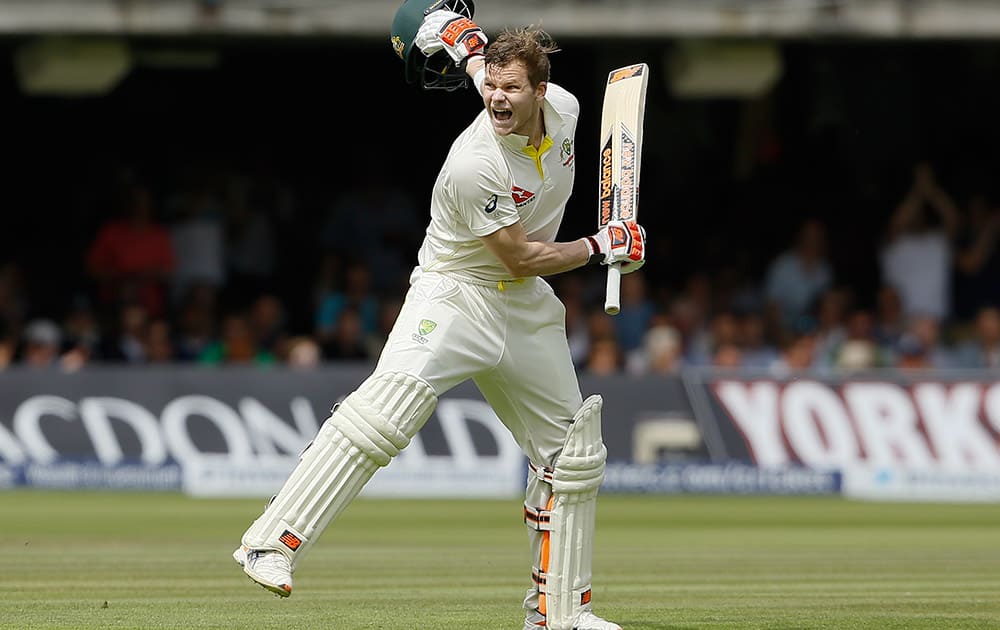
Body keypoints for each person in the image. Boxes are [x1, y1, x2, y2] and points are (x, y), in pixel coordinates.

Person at [232, 4, 645, 630]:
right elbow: (523, 256)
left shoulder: (565, 108)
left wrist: (452, 34)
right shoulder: (472, 162)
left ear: (539, 89)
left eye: (512, 88)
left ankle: (558, 614)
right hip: (456, 292)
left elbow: (473, 54)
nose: (498, 99)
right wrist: (600, 245)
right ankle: (269, 542)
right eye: (492, 88)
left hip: (525, 310)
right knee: (385, 411)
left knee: (572, 454)